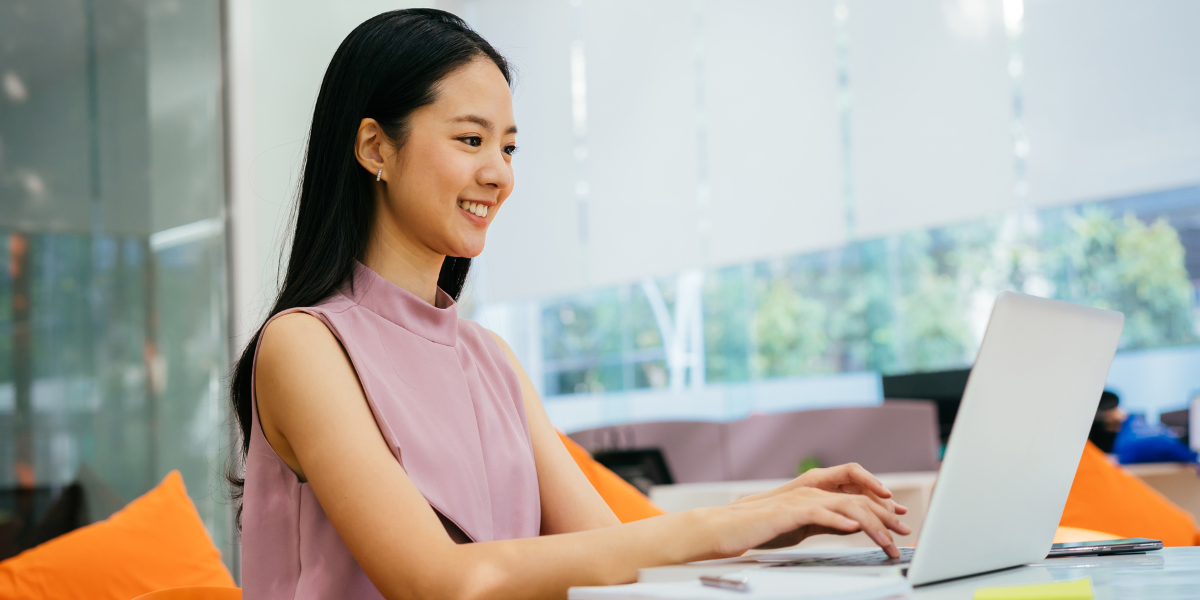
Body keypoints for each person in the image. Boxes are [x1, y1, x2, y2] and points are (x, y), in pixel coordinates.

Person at [228, 9, 911, 599]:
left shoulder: (487, 358)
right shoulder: (305, 345)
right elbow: (441, 582)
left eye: (509, 146)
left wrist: (771, 512)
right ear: (375, 147)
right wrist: (726, 525)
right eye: (471, 139)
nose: (499, 173)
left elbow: (607, 548)